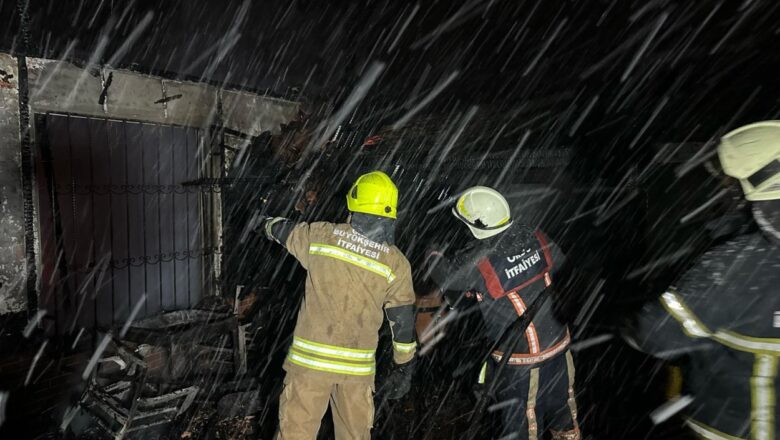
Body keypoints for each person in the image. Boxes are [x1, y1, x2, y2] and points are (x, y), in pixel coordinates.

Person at [626, 121, 780, 439]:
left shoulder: (737, 267)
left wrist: (624, 320)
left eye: (728, 183)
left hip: (736, 427)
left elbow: (655, 333)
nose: (723, 189)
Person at [257, 170, 417, 440]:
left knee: (295, 434)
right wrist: (404, 365)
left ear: (353, 203)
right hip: (356, 374)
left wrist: (264, 223)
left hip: (310, 367)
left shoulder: (321, 237)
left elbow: (284, 230)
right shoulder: (395, 263)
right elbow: (402, 322)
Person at [427, 186, 580, 440]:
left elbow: (446, 281)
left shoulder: (478, 263)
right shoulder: (538, 237)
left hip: (520, 365)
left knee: (521, 429)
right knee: (564, 416)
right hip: (561, 351)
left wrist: (432, 249)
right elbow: (562, 270)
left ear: (475, 227)